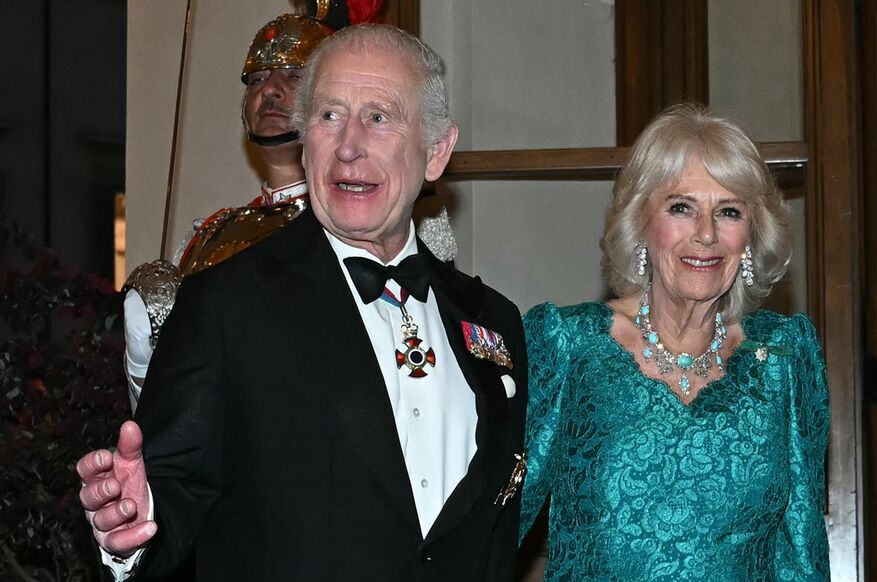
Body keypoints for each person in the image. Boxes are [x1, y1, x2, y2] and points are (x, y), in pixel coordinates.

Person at [78, 24, 528, 582]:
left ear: (436, 152)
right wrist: (132, 530)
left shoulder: (493, 322)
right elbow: (170, 500)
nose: (348, 146)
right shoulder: (226, 306)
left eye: (379, 117)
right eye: (329, 115)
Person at [520, 104, 830, 581]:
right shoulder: (570, 346)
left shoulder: (782, 358)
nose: (706, 234)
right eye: (681, 207)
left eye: (728, 212)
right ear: (642, 223)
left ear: (750, 237)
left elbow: (802, 554)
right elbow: (496, 525)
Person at [121, 4, 383, 411]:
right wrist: (142, 363)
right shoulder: (209, 236)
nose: (270, 90)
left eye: (294, 75)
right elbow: (177, 410)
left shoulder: (365, 225)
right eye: (257, 78)